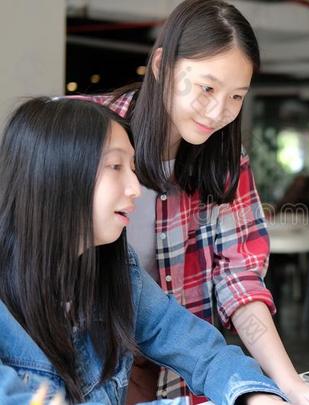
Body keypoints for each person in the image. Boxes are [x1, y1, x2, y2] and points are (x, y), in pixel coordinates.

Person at [81, 1, 309, 404]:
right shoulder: (87, 133)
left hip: (184, 366)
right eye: (207, 88)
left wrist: (289, 385)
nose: (219, 112)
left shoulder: (225, 163)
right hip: (89, 365)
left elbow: (240, 280)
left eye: (236, 96)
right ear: (163, 65)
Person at [0, 97, 288, 405]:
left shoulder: (118, 270)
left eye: (133, 168)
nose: (135, 187)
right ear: (54, 173)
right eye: (115, 166)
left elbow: (202, 351)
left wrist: (254, 396)